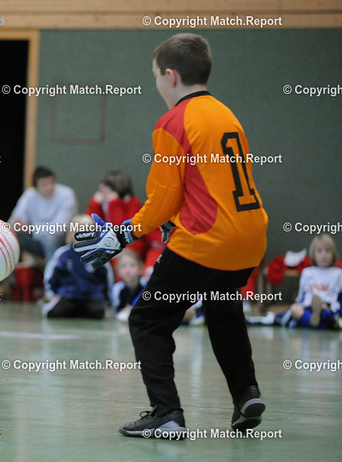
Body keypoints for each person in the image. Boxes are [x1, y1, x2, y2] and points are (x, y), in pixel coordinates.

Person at [74, 33, 268, 438]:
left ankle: (167, 414)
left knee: (147, 320)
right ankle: (246, 393)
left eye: (155, 77)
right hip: (249, 238)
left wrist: (121, 234)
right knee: (223, 309)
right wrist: (171, 219)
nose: (157, 85)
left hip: (206, 240)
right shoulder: (226, 114)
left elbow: (162, 200)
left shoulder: (174, 122)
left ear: (171, 76)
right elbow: (207, 187)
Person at [42, 214, 114, 319]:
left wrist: (107, 299)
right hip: (68, 295)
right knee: (55, 312)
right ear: (71, 234)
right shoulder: (63, 254)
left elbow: (107, 279)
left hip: (92, 296)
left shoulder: (99, 254)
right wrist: (52, 294)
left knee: (98, 312)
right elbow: (51, 276)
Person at [9, 166, 77, 261]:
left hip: (61, 239)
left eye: (51, 183)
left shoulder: (66, 194)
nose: (50, 187)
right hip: (35, 239)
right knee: (12, 237)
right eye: (44, 185)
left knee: (50, 239)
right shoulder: (29, 195)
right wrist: (16, 223)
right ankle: (11, 268)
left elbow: (59, 228)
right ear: (36, 187)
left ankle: (53, 269)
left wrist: (30, 228)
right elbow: (15, 219)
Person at [286, 234, 342, 329]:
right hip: (307, 306)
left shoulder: (338, 273)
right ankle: (321, 323)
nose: (324, 255)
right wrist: (297, 305)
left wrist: (327, 306)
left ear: (333, 254)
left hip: (328, 307)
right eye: (320, 251)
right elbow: (300, 297)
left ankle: (315, 321)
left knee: (325, 314)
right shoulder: (307, 272)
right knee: (294, 309)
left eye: (328, 250)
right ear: (313, 254)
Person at [111, 250, 144, 323]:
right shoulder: (117, 288)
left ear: (140, 268)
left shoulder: (145, 285)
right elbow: (117, 310)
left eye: (132, 265)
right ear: (118, 270)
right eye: (124, 266)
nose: (128, 269)